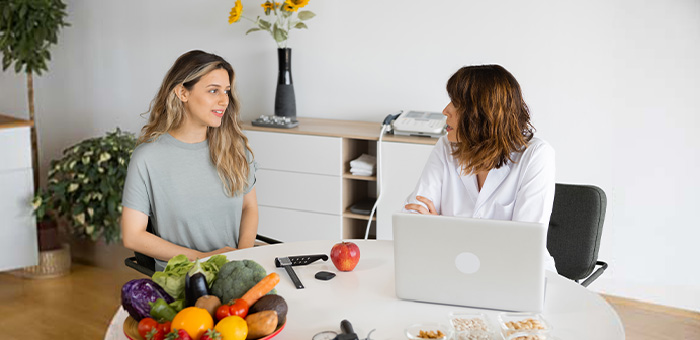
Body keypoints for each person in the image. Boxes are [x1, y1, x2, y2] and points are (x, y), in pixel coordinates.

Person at [403, 64, 557, 272]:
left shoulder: (536, 156)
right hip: (452, 268)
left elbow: (523, 246)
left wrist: (441, 230)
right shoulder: (446, 147)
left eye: (456, 103)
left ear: (482, 114)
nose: (445, 110)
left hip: (519, 275)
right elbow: (413, 221)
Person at [120, 50, 258, 271]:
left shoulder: (234, 147)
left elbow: (248, 207)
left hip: (233, 270)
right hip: (182, 278)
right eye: (214, 91)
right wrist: (202, 258)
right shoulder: (148, 158)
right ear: (182, 93)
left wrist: (241, 258)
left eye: (226, 91)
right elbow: (133, 236)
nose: (224, 100)